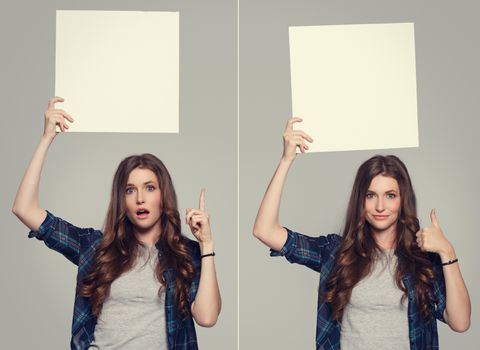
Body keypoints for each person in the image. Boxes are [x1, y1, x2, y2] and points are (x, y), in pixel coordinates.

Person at [12, 97, 221, 350]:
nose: (140, 198)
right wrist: (46, 139)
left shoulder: (185, 253)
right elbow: (24, 209)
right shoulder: (95, 246)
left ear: (163, 195)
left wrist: (207, 244)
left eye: (150, 188)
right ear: (121, 199)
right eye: (130, 190)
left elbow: (207, 317)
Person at [253, 117, 471, 350]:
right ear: (360, 200)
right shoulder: (337, 253)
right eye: (370, 195)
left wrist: (448, 251)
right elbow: (265, 230)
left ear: (402, 200)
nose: (380, 206)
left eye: (390, 195)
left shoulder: (422, 259)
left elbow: (460, 322)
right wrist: (286, 160)